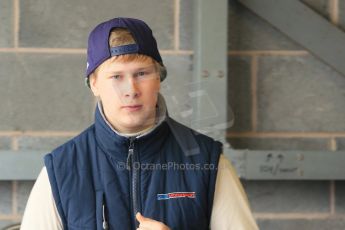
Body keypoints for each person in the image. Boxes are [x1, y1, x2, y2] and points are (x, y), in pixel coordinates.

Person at [21, 17, 258, 230]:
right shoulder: (61, 170)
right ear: (94, 84)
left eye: (142, 74)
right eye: (116, 76)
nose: (130, 90)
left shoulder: (207, 161)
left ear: (159, 79)